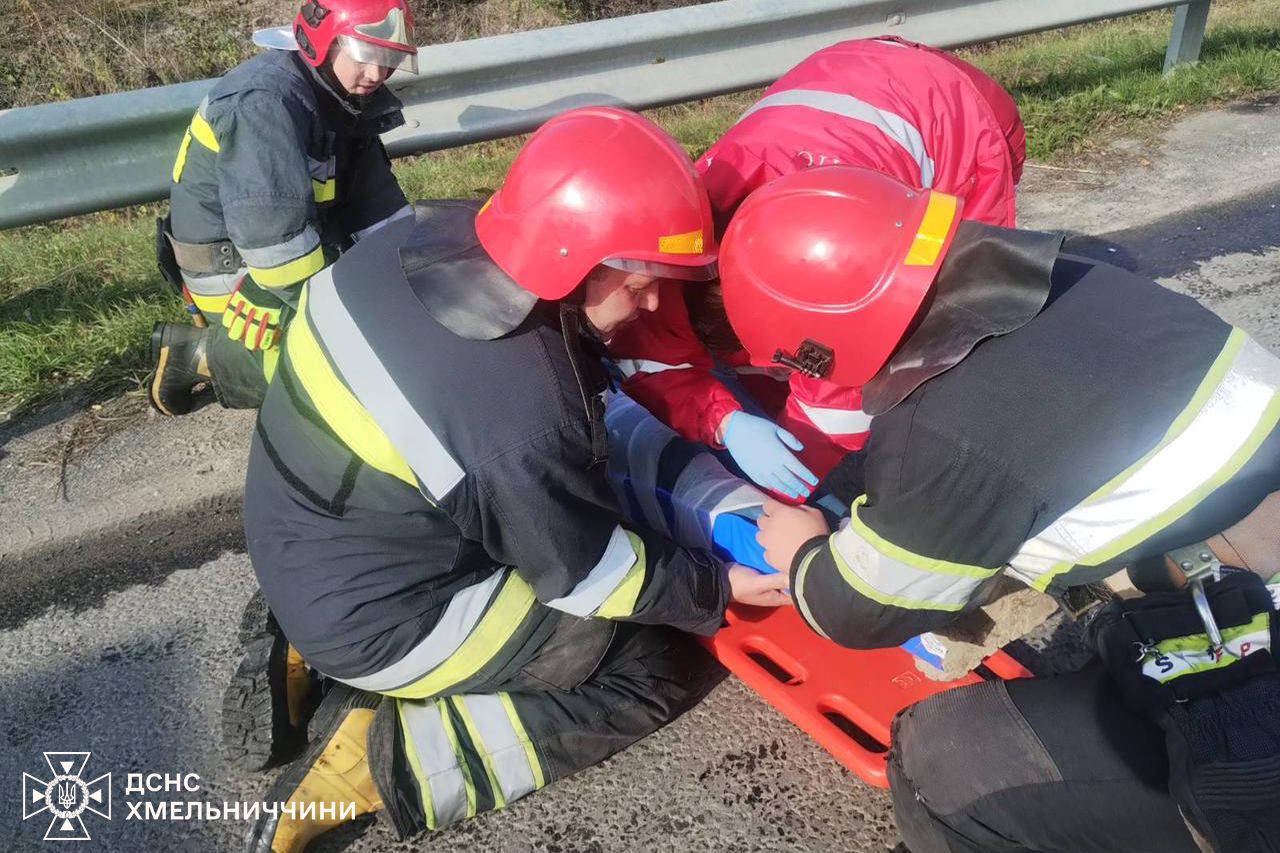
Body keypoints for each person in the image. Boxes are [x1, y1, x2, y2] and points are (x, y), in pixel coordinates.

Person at [236, 106, 791, 853]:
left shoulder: (422, 235)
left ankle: (300, 642)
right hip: (388, 616)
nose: (657, 304)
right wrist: (714, 588)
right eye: (642, 285)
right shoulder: (522, 407)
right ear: (576, 258)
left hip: (300, 536)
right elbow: (587, 574)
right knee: (655, 661)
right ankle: (386, 758)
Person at [728, 166, 1280, 852]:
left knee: (941, 762)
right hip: (1247, 549)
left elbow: (860, 605)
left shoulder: (940, 432)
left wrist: (805, 552)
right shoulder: (1085, 276)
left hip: (1255, 721)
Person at [608, 36, 1027, 497]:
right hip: (841, 79)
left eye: (783, 365)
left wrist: (779, 499)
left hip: (959, 120)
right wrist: (725, 421)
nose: (780, 372)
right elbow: (647, 356)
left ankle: (976, 475)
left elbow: (834, 408)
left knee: (949, 322)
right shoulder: (673, 254)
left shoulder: (835, 267)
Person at [148, 0, 418, 418]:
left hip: (290, 243)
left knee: (394, 321)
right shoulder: (263, 102)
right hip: (237, 265)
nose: (377, 75)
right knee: (338, 364)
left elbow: (376, 207)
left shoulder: (338, 91)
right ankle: (197, 353)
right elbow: (271, 236)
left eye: (389, 61)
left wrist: (417, 272)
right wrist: (279, 290)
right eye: (367, 57)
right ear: (323, 43)